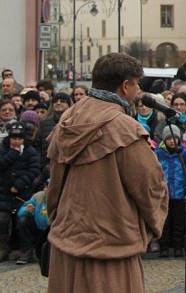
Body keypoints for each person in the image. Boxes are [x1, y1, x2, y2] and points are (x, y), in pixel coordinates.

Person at [46, 53, 168, 293]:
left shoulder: (67, 121)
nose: (138, 89)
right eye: (136, 83)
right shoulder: (125, 129)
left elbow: (54, 185)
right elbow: (149, 186)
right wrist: (152, 226)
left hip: (68, 240)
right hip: (112, 246)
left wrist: (57, 220)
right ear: (125, 86)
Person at [0, 121, 40, 261]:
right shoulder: (3, 150)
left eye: (19, 138)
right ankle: (3, 248)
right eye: (14, 138)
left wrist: (18, 184)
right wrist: (11, 154)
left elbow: (34, 170)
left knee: (22, 220)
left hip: (23, 194)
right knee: (2, 219)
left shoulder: (30, 152)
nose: (16, 141)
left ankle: (25, 250)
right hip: (4, 194)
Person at [155, 124, 186, 258]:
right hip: (163, 194)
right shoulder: (158, 153)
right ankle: (164, 247)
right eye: (169, 138)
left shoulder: (184, 153)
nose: (172, 141)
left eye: (175, 138)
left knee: (179, 222)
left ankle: (178, 247)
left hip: (179, 192)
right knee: (164, 222)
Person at [15, 177, 49, 265]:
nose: (46, 189)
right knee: (23, 220)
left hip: (51, 230)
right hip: (38, 227)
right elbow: (21, 212)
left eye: (49, 187)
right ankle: (27, 251)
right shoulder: (38, 196)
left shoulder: (61, 199)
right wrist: (28, 210)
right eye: (46, 186)